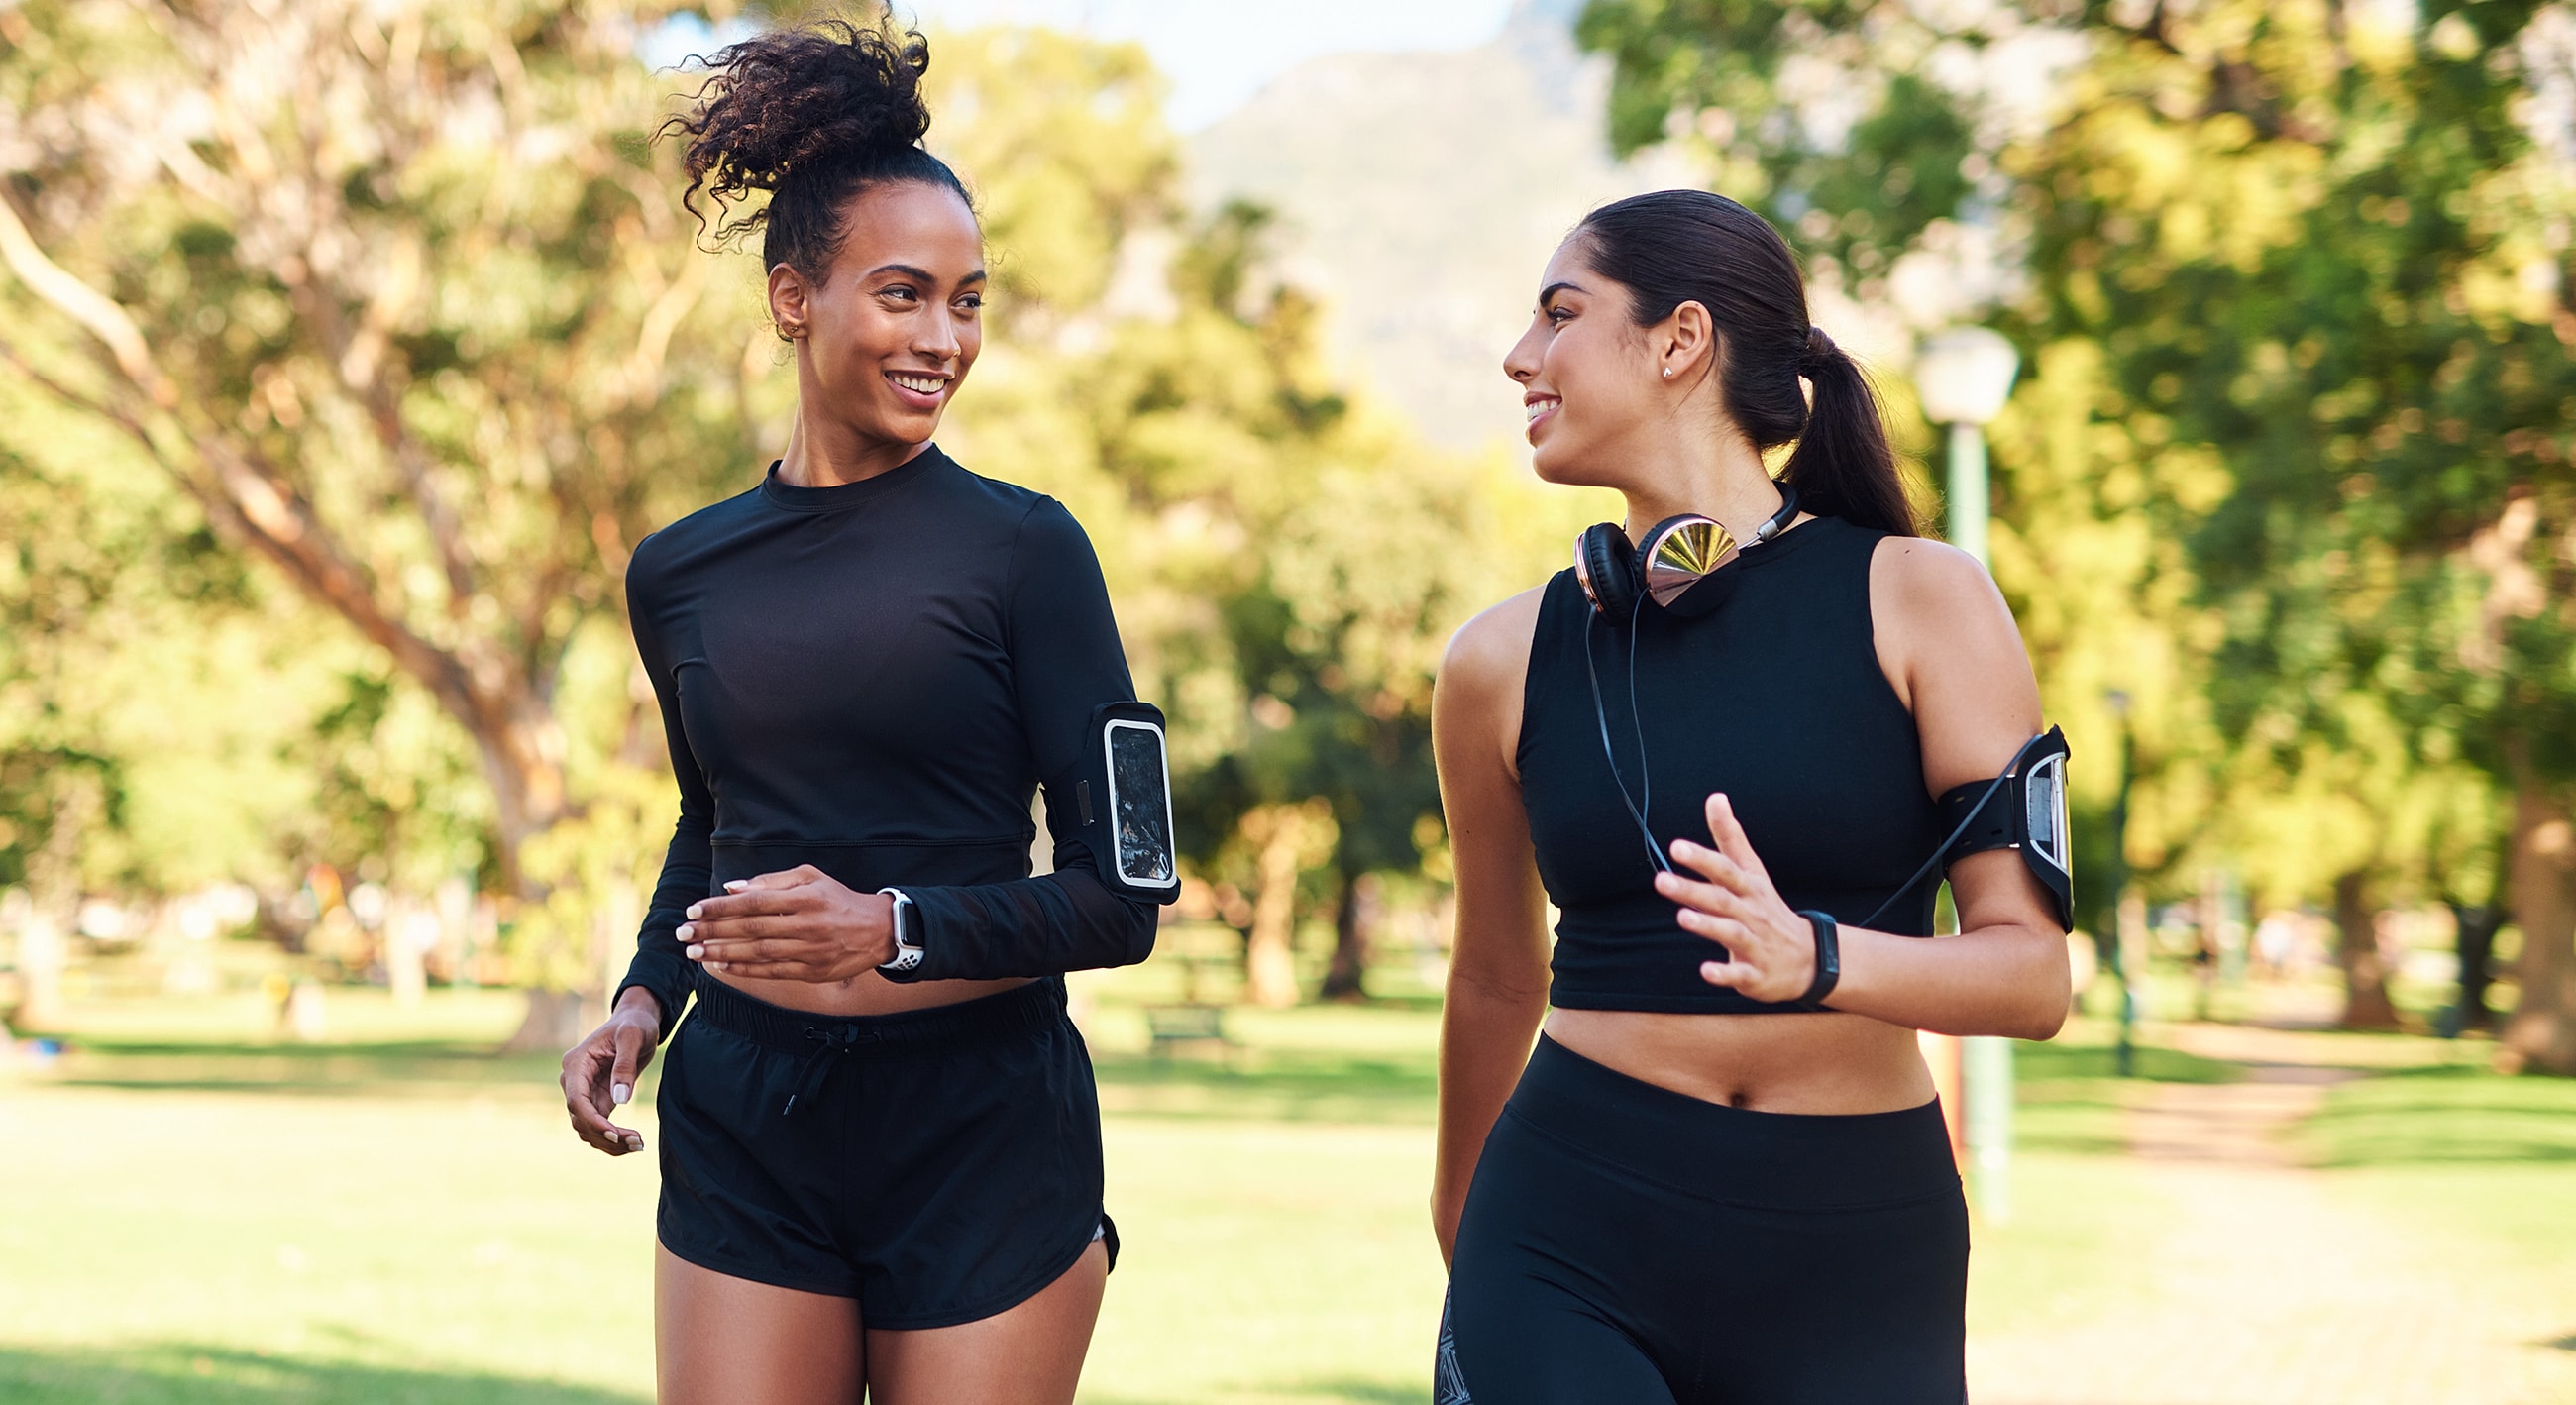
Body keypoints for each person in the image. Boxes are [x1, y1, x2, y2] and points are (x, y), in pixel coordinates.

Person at [555, 17, 1169, 1404]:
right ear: (793, 299)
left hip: (980, 1124)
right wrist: (646, 998)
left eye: (968, 300)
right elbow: (714, 818)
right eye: (903, 294)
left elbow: (1125, 893)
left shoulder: (1030, 550)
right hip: (747, 1115)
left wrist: (888, 928)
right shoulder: (679, 570)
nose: (943, 338)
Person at [1429, 189, 2073, 1404]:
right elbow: (1493, 975)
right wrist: (1463, 1231)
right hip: (1564, 1229)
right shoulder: (1493, 662)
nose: (1519, 356)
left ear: (1678, 341)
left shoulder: (1925, 598)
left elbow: (2030, 975)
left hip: (1854, 1246)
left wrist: (1819, 957)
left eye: (1559, 315)